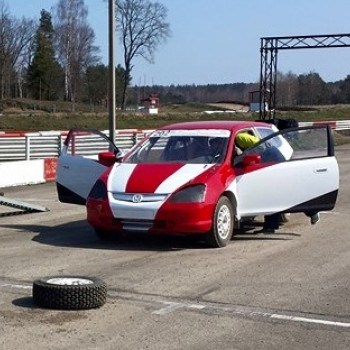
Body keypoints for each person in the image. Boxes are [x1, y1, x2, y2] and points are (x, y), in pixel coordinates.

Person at [235, 132, 281, 234]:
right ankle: (273, 224)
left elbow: (259, 147)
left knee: (271, 193)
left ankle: (271, 226)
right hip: (270, 155)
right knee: (277, 193)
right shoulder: (240, 139)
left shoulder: (239, 137)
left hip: (270, 157)